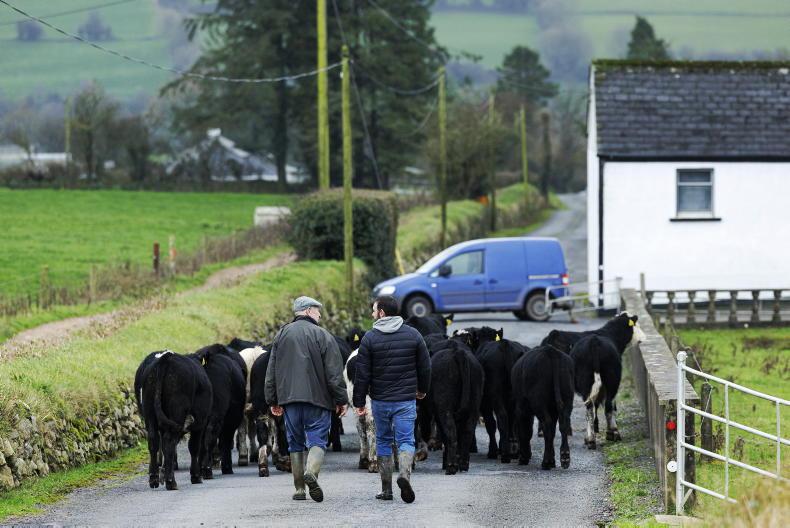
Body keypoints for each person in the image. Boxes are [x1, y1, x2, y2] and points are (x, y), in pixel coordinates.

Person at [265, 296, 348, 502]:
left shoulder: (281, 335)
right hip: (318, 399)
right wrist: (341, 399)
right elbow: (334, 374)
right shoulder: (323, 335)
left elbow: (271, 370)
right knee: (318, 439)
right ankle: (311, 472)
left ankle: (299, 489)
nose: (320, 315)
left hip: (289, 400)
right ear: (309, 310)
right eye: (318, 310)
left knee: (295, 442)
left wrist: (272, 399)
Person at [353, 295, 431, 503]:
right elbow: (425, 366)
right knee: (406, 440)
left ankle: (386, 489)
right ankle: (404, 474)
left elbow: (362, 374)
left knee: (384, 441)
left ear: (381, 313)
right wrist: (422, 389)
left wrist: (359, 402)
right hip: (405, 400)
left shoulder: (370, 338)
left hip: (380, 401)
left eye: (374, 310)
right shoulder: (413, 335)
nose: (372, 314)